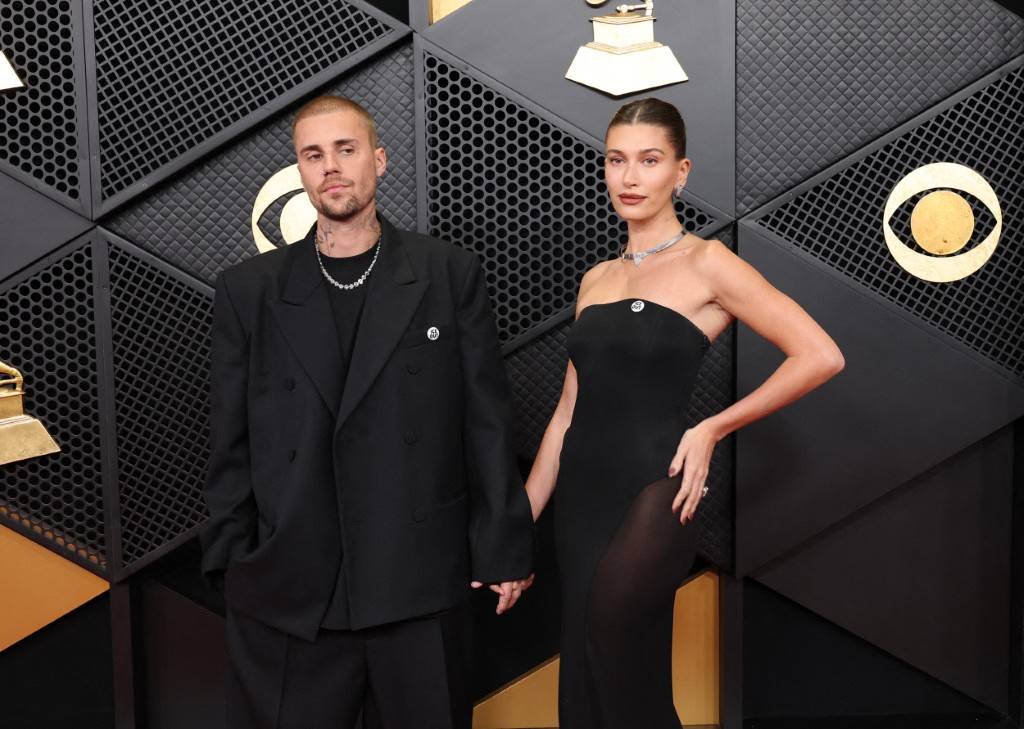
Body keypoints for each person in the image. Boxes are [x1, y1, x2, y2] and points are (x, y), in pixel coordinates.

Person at [198, 94, 534, 729]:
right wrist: (231, 558)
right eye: (313, 155)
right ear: (299, 172)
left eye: (346, 150)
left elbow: (485, 421)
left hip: (418, 576)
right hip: (291, 586)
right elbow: (230, 438)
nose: (331, 167)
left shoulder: (446, 273)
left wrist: (504, 545)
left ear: (378, 161)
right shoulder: (250, 290)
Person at [518, 98, 846, 728]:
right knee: (585, 672)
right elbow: (566, 413)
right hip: (580, 500)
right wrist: (519, 524)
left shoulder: (708, 263)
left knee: (617, 658)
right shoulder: (596, 279)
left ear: (681, 171)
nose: (630, 177)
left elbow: (820, 355)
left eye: (649, 160)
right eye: (616, 160)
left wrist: (713, 426)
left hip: (655, 489)